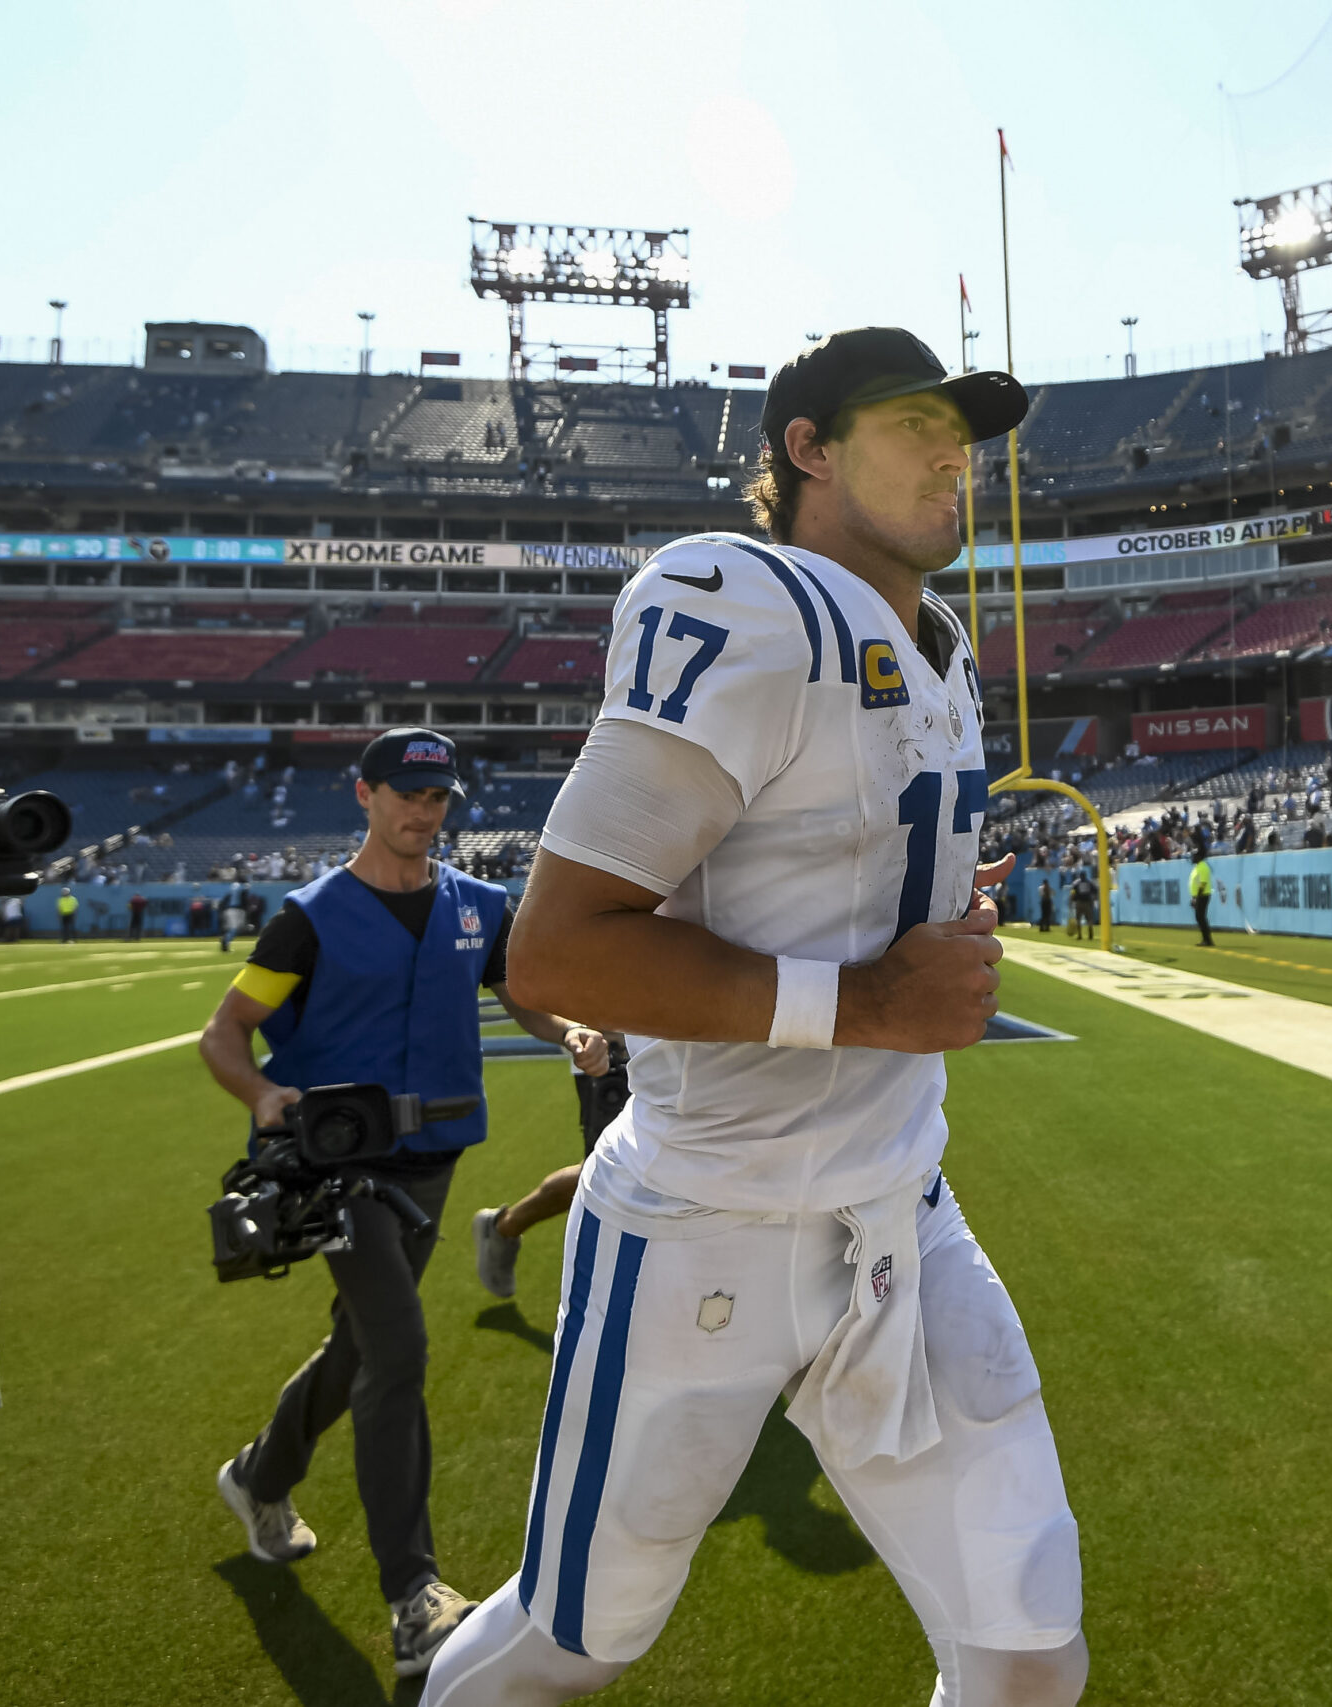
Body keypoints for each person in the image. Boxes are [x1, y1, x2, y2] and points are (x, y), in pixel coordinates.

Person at [420, 328, 1084, 1707]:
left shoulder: (942, 648)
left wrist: (920, 916)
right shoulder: (746, 600)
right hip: (704, 1217)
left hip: (899, 1210)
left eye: (963, 436)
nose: (954, 458)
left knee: (1026, 1656)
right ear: (807, 448)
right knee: (569, 1646)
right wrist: (871, 998)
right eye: (915, 425)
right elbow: (555, 950)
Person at [197, 727, 604, 1681]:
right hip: (339, 1168)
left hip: (432, 1160)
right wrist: (263, 1094)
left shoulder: (479, 907)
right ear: (365, 795)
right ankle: (414, 1596)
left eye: (437, 798)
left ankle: (259, 1474)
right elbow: (226, 1031)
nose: (424, 813)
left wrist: (568, 1030)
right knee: (400, 1351)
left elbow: (516, 992)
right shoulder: (309, 917)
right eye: (407, 795)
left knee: (362, 1344)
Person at [470, 1026, 627, 1301]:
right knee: (609, 1172)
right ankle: (505, 1227)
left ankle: (503, 1228)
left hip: (680, 1059)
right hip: (614, 1056)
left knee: (613, 1172)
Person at [1189, 846, 1216, 947]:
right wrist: (1194, 897)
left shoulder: (1203, 867)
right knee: (1200, 917)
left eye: (1194, 856)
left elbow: (1202, 884)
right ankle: (1206, 939)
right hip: (1199, 895)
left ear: (1199, 857)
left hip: (1203, 895)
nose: (1192, 858)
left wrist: (1196, 898)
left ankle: (1207, 940)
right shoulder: (1198, 867)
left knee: (1200, 917)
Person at [1068, 867, 1098, 939]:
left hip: (1079, 902)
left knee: (1078, 919)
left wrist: (1071, 901)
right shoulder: (1089, 882)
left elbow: (1073, 893)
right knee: (1089, 919)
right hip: (1087, 902)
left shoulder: (1076, 883)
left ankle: (1079, 935)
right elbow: (1096, 890)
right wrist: (1093, 898)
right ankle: (1090, 934)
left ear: (1080, 876)